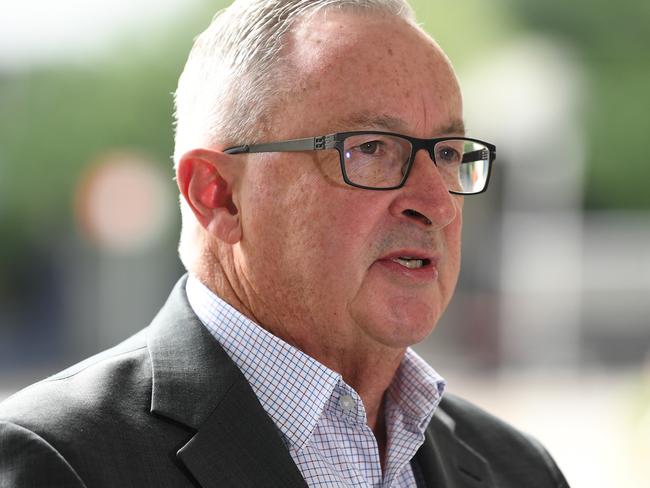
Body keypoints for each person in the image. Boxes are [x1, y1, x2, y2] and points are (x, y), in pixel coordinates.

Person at [0, 0, 570, 487]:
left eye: (447, 154)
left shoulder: (517, 467)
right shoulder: (57, 461)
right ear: (218, 195)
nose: (437, 203)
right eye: (370, 148)